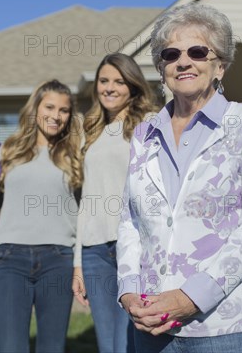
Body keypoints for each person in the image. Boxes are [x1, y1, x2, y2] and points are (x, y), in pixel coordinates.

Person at [116, 2, 242, 353]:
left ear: (220, 65)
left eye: (197, 51)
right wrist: (129, 290)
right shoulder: (144, 134)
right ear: (161, 69)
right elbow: (130, 221)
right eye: (171, 53)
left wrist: (191, 297)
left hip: (228, 329)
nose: (183, 61)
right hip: (151, 327)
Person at [72, 53, 157, 352]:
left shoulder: (149, 125)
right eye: (104, 81)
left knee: (131, 342)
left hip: (133, 248)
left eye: (119, 81)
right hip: (95, 252)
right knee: (108, 345)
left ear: (133, 86)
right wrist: (78, 263)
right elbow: (86, 201)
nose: (109, 88)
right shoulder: (90, 132)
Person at [0, 80, 83, 353]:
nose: (56, 116)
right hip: (10, 258)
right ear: (35, 108)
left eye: (64, 110)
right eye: (50, 107)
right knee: (10, 347)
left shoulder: (75, 155)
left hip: (59, 259)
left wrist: (79, 265)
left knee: (52, 347)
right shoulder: (7, 151)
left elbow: (85, 214)